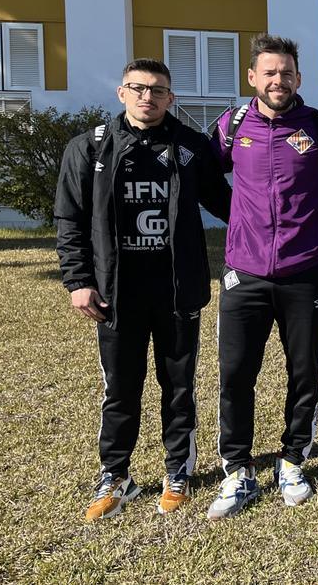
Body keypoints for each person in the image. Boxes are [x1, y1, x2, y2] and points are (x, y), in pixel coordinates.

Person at [55, 58, 232, 521]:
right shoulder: (90, 148)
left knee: (178, 386)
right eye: (138, 88)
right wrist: (79, 281)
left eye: (157, 90)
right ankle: (116, 476)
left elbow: (233, 204)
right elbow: (69, 220)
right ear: (121, 93)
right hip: (118, 292)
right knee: (120, 388)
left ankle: (179, 471)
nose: (147, 97)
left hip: (176, 289)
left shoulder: (191, 147)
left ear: (171, 98)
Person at [206, 35, 318, 519]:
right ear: (252, 77)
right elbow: (207, 176)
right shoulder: (232, 126)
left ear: (298, 78)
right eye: (269, 72)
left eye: (286, 72)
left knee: (303, 372)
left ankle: (292, 460)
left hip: (303, 274)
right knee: (235, 375)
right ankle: (237, 469)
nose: (278, 80)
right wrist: (237, 220)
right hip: (244, 273)